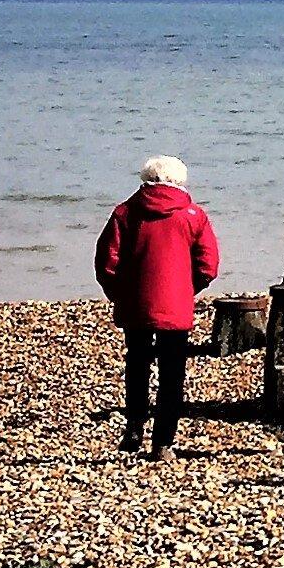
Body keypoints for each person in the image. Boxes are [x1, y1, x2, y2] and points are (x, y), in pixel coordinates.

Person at [95, 156, 220, 459]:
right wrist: (187, 289)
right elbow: (208, 265)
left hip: (136, 304)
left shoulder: (125, 213)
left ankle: (135, 425)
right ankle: (163, 442)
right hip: (175, 306)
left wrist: (120, 294)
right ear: (180, 182)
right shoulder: (193, 216)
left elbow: (106, 262)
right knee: (172, 374)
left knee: (137, 366)